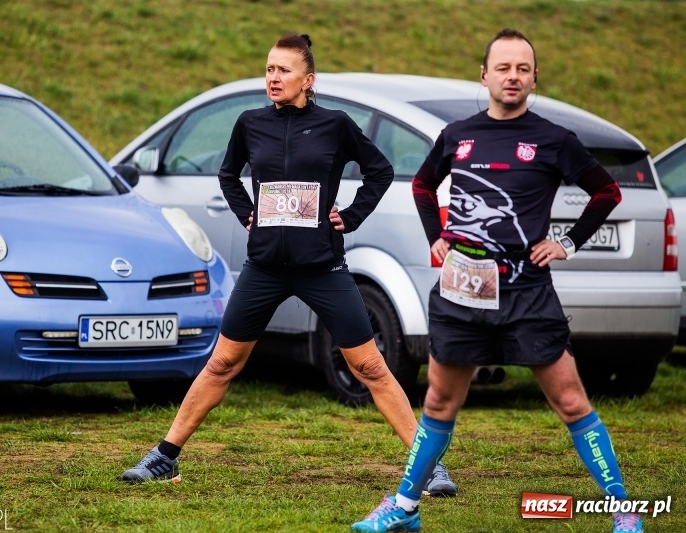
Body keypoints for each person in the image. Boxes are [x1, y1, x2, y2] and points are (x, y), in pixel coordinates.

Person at [120, 32, 457, 496]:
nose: (273, 78)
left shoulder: (336, 125)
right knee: (222, 364)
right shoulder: (249, 123)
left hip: (323, 267)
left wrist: (352, 215)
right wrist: (247, 215)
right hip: (264, 268)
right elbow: (227, 174)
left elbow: (379, 171)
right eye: (269, 69)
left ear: (308, 79)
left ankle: (430, 467)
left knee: (372, 368)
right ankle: (164, 457)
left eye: (283, 70)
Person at [352, 28, 643, 533]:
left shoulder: (553, 139)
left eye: (523, 68)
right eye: (503, 67)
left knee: (571, 401)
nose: (513, 76)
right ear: (483, 75)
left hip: (527, 290)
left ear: (534, 78)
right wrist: (437, 237)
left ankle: (623, 510)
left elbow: (607, 192)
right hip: (463, 288)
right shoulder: (458, 135)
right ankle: (404, 507)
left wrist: (567, 243)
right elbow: (422, 183)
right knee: (440, 402)